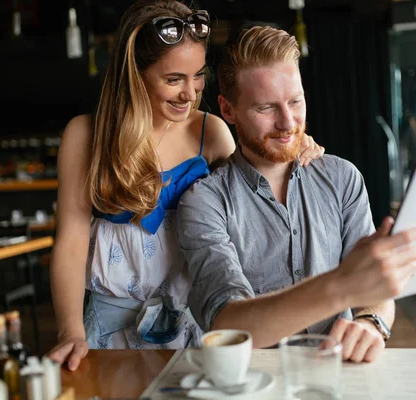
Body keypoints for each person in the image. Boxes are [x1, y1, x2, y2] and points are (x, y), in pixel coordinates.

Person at [47, 1, 323, 371]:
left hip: (192, 326)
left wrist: (290, 149)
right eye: (173, 79)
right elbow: (70, 242)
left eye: (198, 76)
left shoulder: (209, 132)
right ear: (134, 74)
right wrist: (70, 330)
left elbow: (254, 197)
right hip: (109, 330)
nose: (190, 93)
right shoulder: (85, 135)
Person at [177, 26, 416, 363]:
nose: (288, 123)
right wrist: (342, 285)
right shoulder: (204, 201)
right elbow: (228, 324)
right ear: (228, 110)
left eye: (295, 101)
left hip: (341, 374)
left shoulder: (342, 178)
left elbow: (376, 291)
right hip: (254, 385)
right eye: (266, 108)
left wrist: (371, 323)